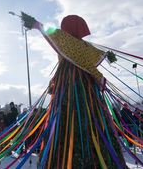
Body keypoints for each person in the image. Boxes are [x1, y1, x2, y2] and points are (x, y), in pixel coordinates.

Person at [20, 13, 126, 168]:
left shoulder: (71, 42)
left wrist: (36, 24)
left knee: (67, 120)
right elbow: (94, 55)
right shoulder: (79, 44)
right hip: (82, 87)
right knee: (92, 120)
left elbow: (50, 32)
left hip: (71, 86)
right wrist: (107, 56)